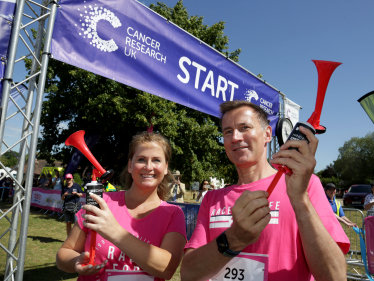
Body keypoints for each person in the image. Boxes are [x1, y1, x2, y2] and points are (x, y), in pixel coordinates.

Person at [181, 101, 349, 281]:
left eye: (244, 127)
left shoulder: (304, 185)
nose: (235, 137)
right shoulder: (212, 198)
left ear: (268, 134)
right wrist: (233, 239)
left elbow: (335, 277)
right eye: (227, 131)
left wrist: (301, 200)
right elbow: (188, 274)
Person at [56, 132, 187, 281]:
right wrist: (75, 261)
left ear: (165, 168)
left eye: (156, 160)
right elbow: (64, 254)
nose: (149, 167)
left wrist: (116, 232)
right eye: (141, 159)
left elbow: (166, 269)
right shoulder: (101, 202)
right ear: (130, 166)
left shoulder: (173, 214)